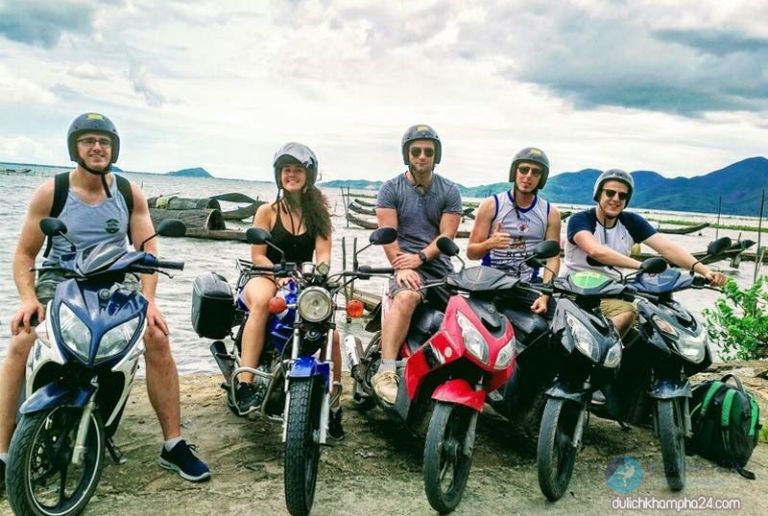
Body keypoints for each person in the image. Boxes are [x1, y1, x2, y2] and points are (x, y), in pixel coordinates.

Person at [0, 113, 210, 490]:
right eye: (88, 141)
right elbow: (24, 255)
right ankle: (2, 452)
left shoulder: (128, 193)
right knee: (22, 338)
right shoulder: (52, 192)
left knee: (157, 337)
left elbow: (147, 253)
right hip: (61, 278)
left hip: (115, 278)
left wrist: (150, 301)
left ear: (114, 149)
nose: (97, 147)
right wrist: (27, 299)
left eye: (104, 142)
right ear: (74, 148)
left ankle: (173, 443)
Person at [237, 142, 345, 440]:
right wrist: (277, 274)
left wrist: (320, 274)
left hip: (302, 279)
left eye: (298, 169)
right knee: (262, 301)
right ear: (278, 175)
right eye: (286, 170)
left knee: (331, 332)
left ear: (309, 175)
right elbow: (258, 254)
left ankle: (334, 406)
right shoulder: (267, 211)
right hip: (266, 274)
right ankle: (245, 383)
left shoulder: (318, 214)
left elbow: (323, 254)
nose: (291, 175)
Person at [563, 168, 727, 337]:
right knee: (626, 313)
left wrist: (705, 271)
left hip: (613, 291)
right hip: (575, 291)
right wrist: (641, 266)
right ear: (598, 194)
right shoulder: (580, 219)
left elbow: (668, 248)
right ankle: (604, 353)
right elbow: (596, 251)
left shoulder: (631, 222)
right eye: (610, 193)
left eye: (622, 196)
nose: (616, 199)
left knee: (652, 321)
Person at [372, 124, 463, 405]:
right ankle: (386, 370)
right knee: (407, 297)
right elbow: (389, 235)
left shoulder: (450, 190)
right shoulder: (390, 189)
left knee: (465, 311)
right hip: (404, 265)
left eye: (428, 152)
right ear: (407, 155)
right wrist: (402, 266)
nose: (422, 156)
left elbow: (446, 235)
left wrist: (421, 257)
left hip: (440, 267)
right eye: (416, 151)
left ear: (436, 156)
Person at [467, 147, 561, 313]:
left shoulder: (550, 213)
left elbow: (553, 258)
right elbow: (471, 253)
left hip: (527, 285)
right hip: (491, 283)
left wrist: (545, 295)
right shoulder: (491, 205)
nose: (528, 176)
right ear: (514, 172)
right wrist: (490, 243)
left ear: (541, 178)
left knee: (556, 319)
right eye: (524, 169)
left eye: (535, 172)